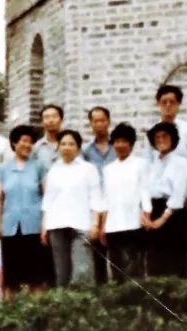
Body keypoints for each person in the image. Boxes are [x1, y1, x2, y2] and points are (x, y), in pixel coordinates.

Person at [41, 129, 104, 287]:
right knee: (62, 273)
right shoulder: (54, 170)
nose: (67, 147)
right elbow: (48, 200)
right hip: (56, 225)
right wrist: (44, 226)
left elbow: (95, 197)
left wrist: (96, 223)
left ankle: (85, 308)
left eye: (71, 144)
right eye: (63, 144)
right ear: (58, 147)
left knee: (82, 271)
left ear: (78, 147)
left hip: (82, 225)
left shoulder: (88, 169)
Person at [0, 124, 52, 296]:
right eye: (23, 141)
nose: (27, 145)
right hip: (10, 227)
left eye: (30, 142)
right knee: (11, 279)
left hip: (33, 226)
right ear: (14, 143)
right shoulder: (3, 169)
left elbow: (46, 196)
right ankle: (10, 317)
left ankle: (37, 316)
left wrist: (45, 225)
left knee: (36, 277)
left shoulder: (38, 166)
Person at [100, 123, 151, 282]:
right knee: (116, 270)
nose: (120, 145)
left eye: (124, 141)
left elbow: (145, 190)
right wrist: (103, 225)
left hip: (134, 223)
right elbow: (106, 198)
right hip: (113, 226)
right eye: (116, 141)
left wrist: (146, 213)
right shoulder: (108, 169)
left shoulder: (140, 164)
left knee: (134, 269)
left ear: (131, 143)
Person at [143, 121, 187, 278]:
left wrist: (162, 219)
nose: (161, 140)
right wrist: (146, 215)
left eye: (165, 136)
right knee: (155, 261)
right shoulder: (152, 164)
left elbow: (179, 193)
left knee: (174, 262)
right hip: (153, 210)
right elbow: (145, 189)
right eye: (157, 137)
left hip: (173, 214)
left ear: (173, 139)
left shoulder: (182, 163)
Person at [82, 106, 114, 285]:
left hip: (115, 206)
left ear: (108, 122)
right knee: (97, 254)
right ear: (91, 124)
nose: (99, 124)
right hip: (94, 208)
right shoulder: (86, 152)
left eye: (102, 120)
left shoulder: (118, 147)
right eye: (95, 121)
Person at [154, 85, 187, 161]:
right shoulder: (152, 131)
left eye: (172, 102)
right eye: (164, 102)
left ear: (178, 104)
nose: (168, 105)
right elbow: (148, 160)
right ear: (158, 103)